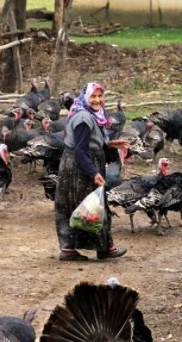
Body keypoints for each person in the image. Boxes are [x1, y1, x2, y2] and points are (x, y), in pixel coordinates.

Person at [55, 82, 130, 261]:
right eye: (93, 96)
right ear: (85, 98)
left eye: (100, 96)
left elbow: (87, 141)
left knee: (76, 205)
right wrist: (94, 173)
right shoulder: (84, 118)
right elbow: (81, 149)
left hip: (77, 163)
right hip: (79, 166)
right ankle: (103, 248)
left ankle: (71, 248)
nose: (97, 100)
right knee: (94, 204)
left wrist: (109, 144)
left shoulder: (90, 115)